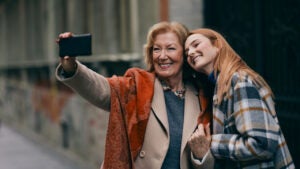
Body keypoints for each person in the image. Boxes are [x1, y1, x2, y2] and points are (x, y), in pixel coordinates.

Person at [56, 22, 214, 169]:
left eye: (171, 48)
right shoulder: (137, 86)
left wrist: (202, 155)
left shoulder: (202, 96)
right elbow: (101, 89)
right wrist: (71, 67)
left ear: (185, 55)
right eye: (156, 49)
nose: (162, 55)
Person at [185, 28, 295, 169]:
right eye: (187, 52)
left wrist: (211, 142)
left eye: (196, 44)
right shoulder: (218, 85)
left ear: (217, 45)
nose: (191, 53)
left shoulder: (239, 81)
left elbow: (261, 144)